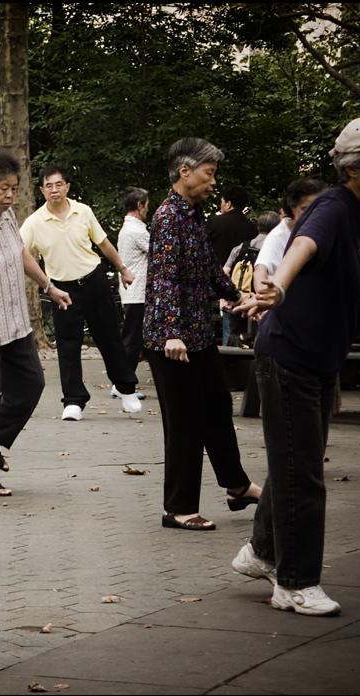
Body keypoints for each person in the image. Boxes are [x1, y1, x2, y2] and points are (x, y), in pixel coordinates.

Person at [232, 116, 360, 616]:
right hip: (288, 355)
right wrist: (279, 286)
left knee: (298, 461)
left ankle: (264, 551)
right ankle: (294, 582)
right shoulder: (333, 208)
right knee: (303, 472)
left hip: (318, 360)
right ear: (354, 168)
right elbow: (303, 247)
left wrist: (332, 373)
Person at [144, 137, 261, 532]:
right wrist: (171, 332)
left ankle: (237, 486)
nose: (214, 182)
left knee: (217, 408)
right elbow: (163, 278)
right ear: (185, 172)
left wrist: (238, 296)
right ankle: (177, 508)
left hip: (198, 334)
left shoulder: (193, 214)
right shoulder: (167, 216)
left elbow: (210, 269)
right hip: (172, 340)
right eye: (209, 174)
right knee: (185, 423)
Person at [0, 149, 71, 497]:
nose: (10, 195)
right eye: (4, 188)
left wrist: (48, 286)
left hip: (16, 323)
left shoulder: (8, 218)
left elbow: (21, 253)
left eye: (14, 188)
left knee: (32, 385)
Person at [20, 166, 141, 421]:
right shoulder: (34, 222)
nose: (54, 190)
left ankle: (126, 388)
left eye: (58, 184)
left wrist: (122, 268)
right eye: (48, 186)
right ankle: (73, 401)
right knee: (67, 345)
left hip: (94, 280)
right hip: (62, 289)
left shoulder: (82, 211)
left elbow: (103, 243)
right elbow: (19, 253)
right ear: (42, 190)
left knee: (109, 338)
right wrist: (45, 285)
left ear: (67, 186)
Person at [255, 178, 328, 290]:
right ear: (292, 208)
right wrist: (264, 294)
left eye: (318, 208)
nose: (313, 213)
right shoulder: (279, 235)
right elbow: (261, 269)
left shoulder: (328, 228)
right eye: (305, 209)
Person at [222, 211, 281, 346]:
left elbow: (225, 272)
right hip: (261, 303)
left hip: (238, 300)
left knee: (234, 337)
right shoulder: (275, 249)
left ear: (258, 227)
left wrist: (228, 296)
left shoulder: (240, 247)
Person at [208, 186, 257, 346]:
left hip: (214, 282)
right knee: (236, 325)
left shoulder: (215, 222)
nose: (220, 205)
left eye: (221, 201)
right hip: (242, 282)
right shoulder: (251, 227)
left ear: (228, 204)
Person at [116, 186, 151, 398]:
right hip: (137, 292)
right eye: (146, 205)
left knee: (133, 339)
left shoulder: (128, 228)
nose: (148, 209)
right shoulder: (137, 230)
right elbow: (159, 251)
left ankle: (123, 382)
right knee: (133, 340)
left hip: (132, 292)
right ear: (139, 206)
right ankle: (123, 384)